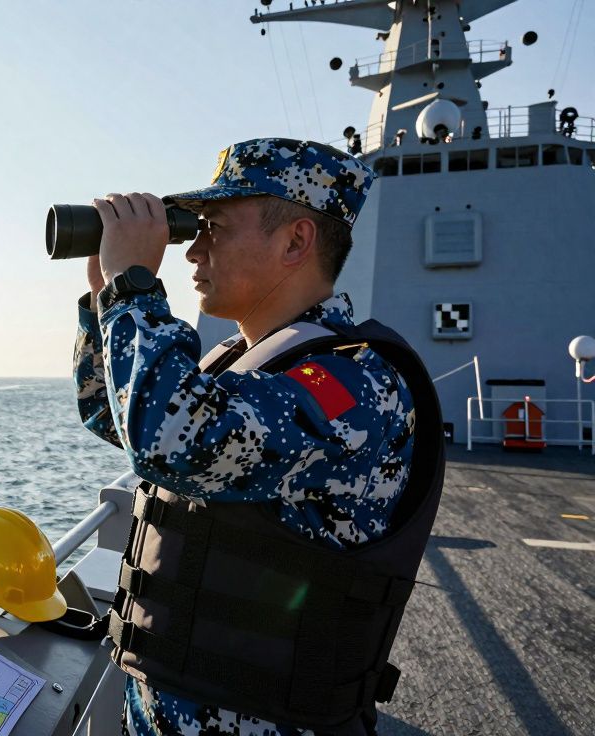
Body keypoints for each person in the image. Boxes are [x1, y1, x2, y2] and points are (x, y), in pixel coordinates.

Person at [73, 138, 444, 735]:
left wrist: (133, 288)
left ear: (297, 241)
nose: (192, 251)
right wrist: (103, 299)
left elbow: (169, 440)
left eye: (213, 226)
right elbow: (107, 412)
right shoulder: (238, 362)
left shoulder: (358, 380)